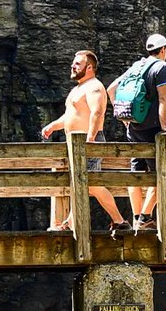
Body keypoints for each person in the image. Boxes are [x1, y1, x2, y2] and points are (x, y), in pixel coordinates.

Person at [41, 50, 131, 238]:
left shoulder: (95, 87)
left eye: (77, 64)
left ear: (89, 67)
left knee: (89, 184)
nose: (72, 66)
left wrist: (90, 140)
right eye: (73, 63)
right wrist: (53, 126)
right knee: (81, 182)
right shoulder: (78, 89)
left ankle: (120, 221)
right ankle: (71, 222)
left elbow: (97, 113)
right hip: (76, 145)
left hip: (88, 142)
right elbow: (71, 116)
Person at [106, 33, 166, 232]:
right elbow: (163, 99)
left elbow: (111, 89)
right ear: (163, 50)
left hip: (134, 127)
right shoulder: (162, 67)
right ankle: (145, 218)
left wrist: (125, 119)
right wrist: (164, 127)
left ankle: (137, 218)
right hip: (151, 128)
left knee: (135, 173)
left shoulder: (137, 65)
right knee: (162, 174)